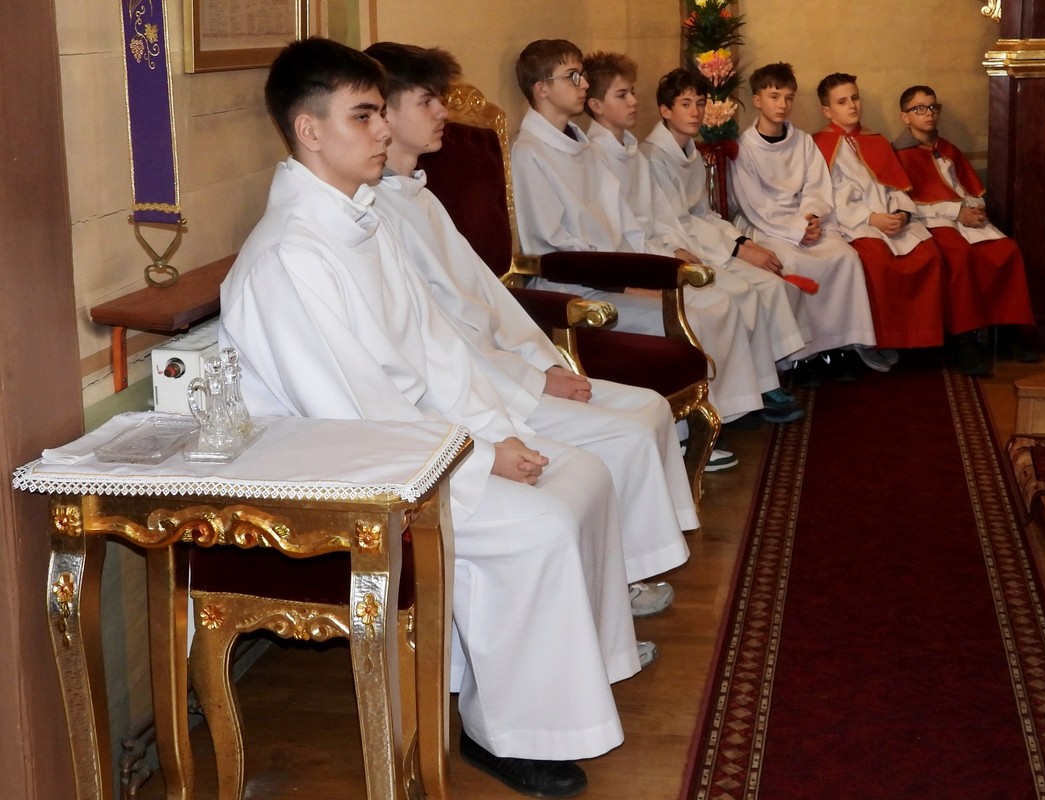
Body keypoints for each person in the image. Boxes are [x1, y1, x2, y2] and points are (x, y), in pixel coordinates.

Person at [219, 37, 638, 798]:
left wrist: (496, 433)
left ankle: (576, 684)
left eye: (382, 112)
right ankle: (504, 730)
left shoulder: (360, 222)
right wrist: (476, 459)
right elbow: (351, 411)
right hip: (345, 473)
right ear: (309, 130)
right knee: (539, 524)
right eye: (364, 115)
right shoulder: (291, 255)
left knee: (582, 470)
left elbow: (438, 351)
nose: (384, 130)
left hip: (420, 440)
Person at [363, 41, 692, 619]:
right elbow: (444, 335)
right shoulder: (377, 215)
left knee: (648, 410)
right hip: (480, 388)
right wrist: (533, 379)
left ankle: (628, 569)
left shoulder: (421, 197)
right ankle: (620, 581)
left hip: (505, 366)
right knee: (623, 438)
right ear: (385, 113)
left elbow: (491, 298)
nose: (443, 111)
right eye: (428, 100)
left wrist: (544, 364)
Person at [509, 38, 772, 469]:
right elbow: (551, 243)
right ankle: (682, 436)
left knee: (707, 302)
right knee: (694, 313)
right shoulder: (530, 153)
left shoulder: (580, 145)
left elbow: (626, 221)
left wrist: (650, 271)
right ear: (541, 88)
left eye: (582, 75)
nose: (582, 84)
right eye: (572, 76)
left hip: (617, 273)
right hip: (576, 287)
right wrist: (627, 283)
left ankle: (717, 413)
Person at [581, 51, 808, 423]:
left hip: (669, 247)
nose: (634, 101)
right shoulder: (603, 157)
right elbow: (624, 231)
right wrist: (677, 253)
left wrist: (730, 244)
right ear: (595, 105)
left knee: (746, 291)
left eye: (632, 92)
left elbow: (668, 217)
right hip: (638, 263)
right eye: (623, 94)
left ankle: (752, 389)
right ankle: (733, 399)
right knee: (730, 298)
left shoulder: (632, 153)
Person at [681, 64, 882, 384]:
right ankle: (800, 357)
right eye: (774, 96)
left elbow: (817, 186)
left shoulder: (802, 141)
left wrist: (812, 217)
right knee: (789, 263)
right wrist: (796, 230)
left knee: (845, 257)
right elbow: (754, 204)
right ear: (757, 100)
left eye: (788, 97)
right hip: (767, 226)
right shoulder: (744, 147)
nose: (782, 104)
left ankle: (840, 346)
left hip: (806, 222)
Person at [892, 84, 1037, 369]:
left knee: (1006, 251)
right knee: (959, 257)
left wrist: (974, 208)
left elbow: (966, 188)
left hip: (964, 219)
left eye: (933, 107)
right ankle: (964, 339)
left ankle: (1008, 331)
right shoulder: (898, 155)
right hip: (932, 222)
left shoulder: (948, 149)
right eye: (919, 108)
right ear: (905, 117)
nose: (929, 113)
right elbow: (906, 204)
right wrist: (956, 211)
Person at [810, 72, 950, 359]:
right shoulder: (817, 145)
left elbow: (896, 185)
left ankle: (921, 341)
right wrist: (871, 219)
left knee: (929, 255)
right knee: (877, 263)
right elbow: (827, 197)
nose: (852, 106)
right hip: (855, 223)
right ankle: (878, 342)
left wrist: (901, 214)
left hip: (890, 218)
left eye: (855, 98)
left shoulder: (876, 140)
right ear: (827, 110)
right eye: (842, 101)